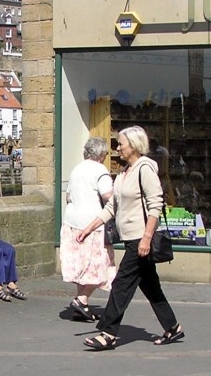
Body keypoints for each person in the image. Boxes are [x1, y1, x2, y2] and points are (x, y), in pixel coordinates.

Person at [75, 125, 183, 351]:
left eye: (121, 143)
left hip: (139, 241)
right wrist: (89, 228)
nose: (117, 148)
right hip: (131, 239)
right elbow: (111, 208)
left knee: (121, 285)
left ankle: (108, 333)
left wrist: (145, 239)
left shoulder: (145, 169)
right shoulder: (125, 172)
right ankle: (172, 327)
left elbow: (155, 206)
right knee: (151, 286)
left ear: (133, 146)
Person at [61, 137, 116, 321]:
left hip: (71, 222)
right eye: (106, 154)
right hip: (92, 225)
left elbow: (68, 197)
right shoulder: (100, 170)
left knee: (81, 265)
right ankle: (82, 300)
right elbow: (108, 195)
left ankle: (81, 305)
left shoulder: (77, 169)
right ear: (100, 155)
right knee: (101, 264)